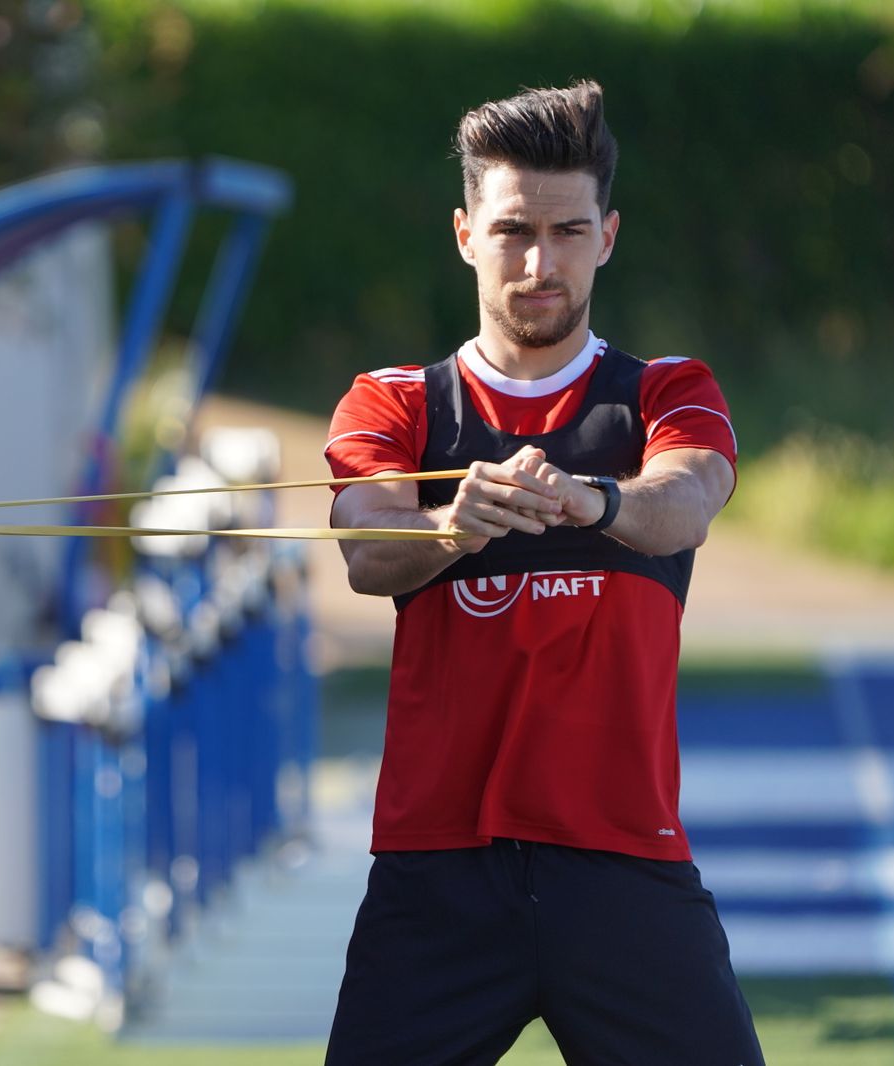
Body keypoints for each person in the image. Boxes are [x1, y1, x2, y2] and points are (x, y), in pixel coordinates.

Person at [321, 80, 762, 1065]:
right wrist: (454, 526)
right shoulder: (394, 401)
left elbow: (683, 502)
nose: (538, 262)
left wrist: (589, 499)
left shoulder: (664, 392)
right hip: (437, 876)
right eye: (512, 231)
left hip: (621, 862)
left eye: (567, 231)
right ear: (465, 234)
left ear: (606, 236)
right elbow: (364, 548)